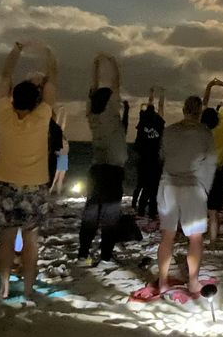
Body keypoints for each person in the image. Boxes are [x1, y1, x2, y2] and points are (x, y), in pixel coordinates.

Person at [0, 40, 57, 302]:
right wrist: (50, 55)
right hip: (35, 187)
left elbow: (5, 77)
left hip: (7, 184)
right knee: (31, 242)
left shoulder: (3, 116)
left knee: (6, 240)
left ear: (13, 99)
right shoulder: (41, 118)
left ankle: (4, 287)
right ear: (35, 101)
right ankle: (28, 289)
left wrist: (16, 51)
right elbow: (52, 83)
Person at [157, 95, 217, 296]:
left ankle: (163, 282)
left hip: (168, 184)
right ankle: (192, 282)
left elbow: (162, 156)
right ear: (199, 112)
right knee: (195, 238)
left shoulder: (169, 131)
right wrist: (204, 190)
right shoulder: (205, 133)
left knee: (167, 236)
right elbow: (210, 163)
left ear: (184, 109)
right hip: (192, 186)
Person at [78, 54, 129, 264]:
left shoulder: (93, 115)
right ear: (110, 101)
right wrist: (113, 63)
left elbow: (94, 89)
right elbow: (115, 84)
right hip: (113, 170)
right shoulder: (110, 112)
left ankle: (83, 253)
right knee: (110, 215)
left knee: (91, 213)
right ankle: (106, 255)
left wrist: (96, 65)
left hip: (97, 169)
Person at [202, 79, 223, 239]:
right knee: (214, 210)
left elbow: (204, 104)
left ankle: (196, 238)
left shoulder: (202, 129)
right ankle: (213, 241)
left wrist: (209, 86)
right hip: (220, 170)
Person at [132, 90, 165, 216]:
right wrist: (162, 96)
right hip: (155, 158)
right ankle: (152, 211)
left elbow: (144, 107)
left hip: (143, 157)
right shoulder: (159, 121)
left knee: (144, 185)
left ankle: (140, 210)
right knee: (154, 187)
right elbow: (161, 108)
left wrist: (151, 95)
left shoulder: (143, 120)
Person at [48, 107, 69, 196]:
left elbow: (63, 124)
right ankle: (49, 191)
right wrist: (60, 112)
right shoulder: (56, 136)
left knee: (61, 177)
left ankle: (59, 193)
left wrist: (65, 113)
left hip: (64, 157)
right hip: (59, 157)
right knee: (55, 177)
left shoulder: (62, 136)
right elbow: (57, 123)